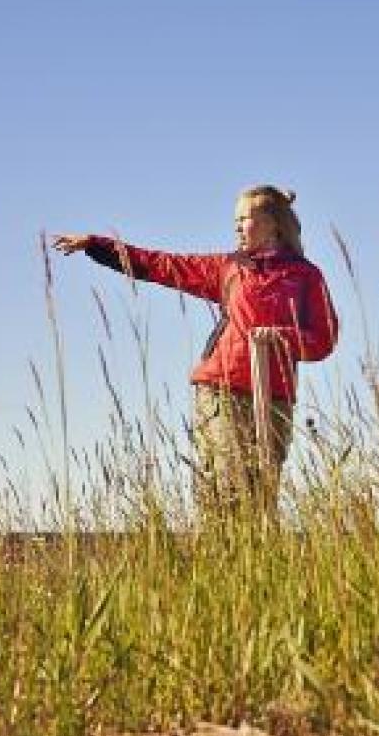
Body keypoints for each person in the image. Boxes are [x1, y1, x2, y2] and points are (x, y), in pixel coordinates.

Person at [52, 186, 338, 519]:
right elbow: (163, 266)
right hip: (222, 391)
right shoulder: (230, 267)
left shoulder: (305, 276)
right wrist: (98, 246)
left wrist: (281, 337)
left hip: (275, 397)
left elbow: (324, 339)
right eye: (235, 219)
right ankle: (222, 548)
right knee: (226, 492)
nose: (237, 227)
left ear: (273, 223)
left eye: (245, 219)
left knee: (262, 494)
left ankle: (255, 551)